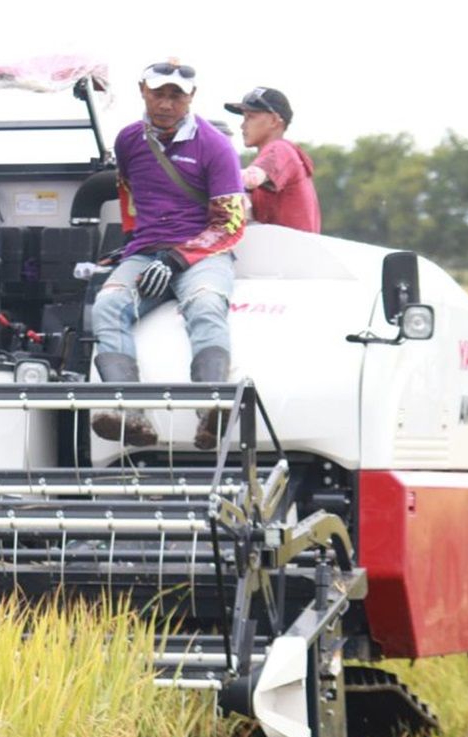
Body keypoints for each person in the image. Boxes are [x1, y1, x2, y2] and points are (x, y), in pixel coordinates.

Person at [92, 59, 247, 450]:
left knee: (206, 304)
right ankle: (129, 412)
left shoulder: (215, 145)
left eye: (175, 95)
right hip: (147, 252)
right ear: (142, 91)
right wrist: (132, 245)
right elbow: (129, 194)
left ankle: (212, 407)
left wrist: (179, 257)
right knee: (107, 305)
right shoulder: (127, 141)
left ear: (191, 97)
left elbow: (229, 223)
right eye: (158, 93)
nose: (165, 103)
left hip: (202, 254)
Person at [224, 87, 321, 233]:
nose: (243, 125)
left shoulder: (280, 149)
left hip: (289, 252)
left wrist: (203, 174)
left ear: (274, 121)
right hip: (291, 250)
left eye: (250, 117)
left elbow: (251, 179)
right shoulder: (282, 156)